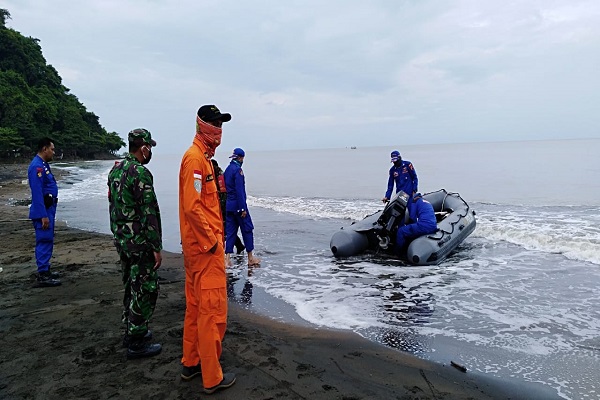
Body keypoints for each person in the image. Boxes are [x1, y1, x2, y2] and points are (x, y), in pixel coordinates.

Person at [179, 105, 236, 394]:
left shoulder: (202, 158)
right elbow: (193, 207)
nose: (219, 129)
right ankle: (212, 377)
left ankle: (191, 363)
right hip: (204, 251)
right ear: (202, 125)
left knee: (196, 308)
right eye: (214, 123)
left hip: (196, 250)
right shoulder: (195, 160)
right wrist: (212, 243)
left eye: (221, 123)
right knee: (211, 313)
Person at [107, 128, 163, 360]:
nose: (150, 152)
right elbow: (149, 212)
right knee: (145, 288)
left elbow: (113, 205)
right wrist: (156, 246)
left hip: (122, 238)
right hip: (139, 241)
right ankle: (137, 340)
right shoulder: (140, 172)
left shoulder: (115, 169)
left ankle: (131, 329)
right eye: (149, 147)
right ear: (144, 148)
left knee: (131, 284)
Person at [28, 137, 60, 287]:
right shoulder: (37, 167)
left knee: (48, 239)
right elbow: (37, 192)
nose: (53, 152)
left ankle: (45, 269)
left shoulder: (43, 165)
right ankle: (43, 274)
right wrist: (43, 215)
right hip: (43, 210)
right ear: (44, 149)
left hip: (49, 208)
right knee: (44, 239)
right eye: (52, 149)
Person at [223, 147, 261, 267]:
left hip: (229, 205)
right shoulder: (238, 171)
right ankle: (250, 258)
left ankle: (227, 259)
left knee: (230, 233)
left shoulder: (227, 170)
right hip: (238, 206)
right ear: (240, 157)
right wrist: (243, 208)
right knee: (247, 229)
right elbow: (240, 191)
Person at [211, 158, 245, 254]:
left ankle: (236, 247)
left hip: (222, 204)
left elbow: (218, 191)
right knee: (227, 227)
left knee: (225, 227)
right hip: (227, 202)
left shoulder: (215, 173)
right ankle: (235, 247)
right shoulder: (222, 173)